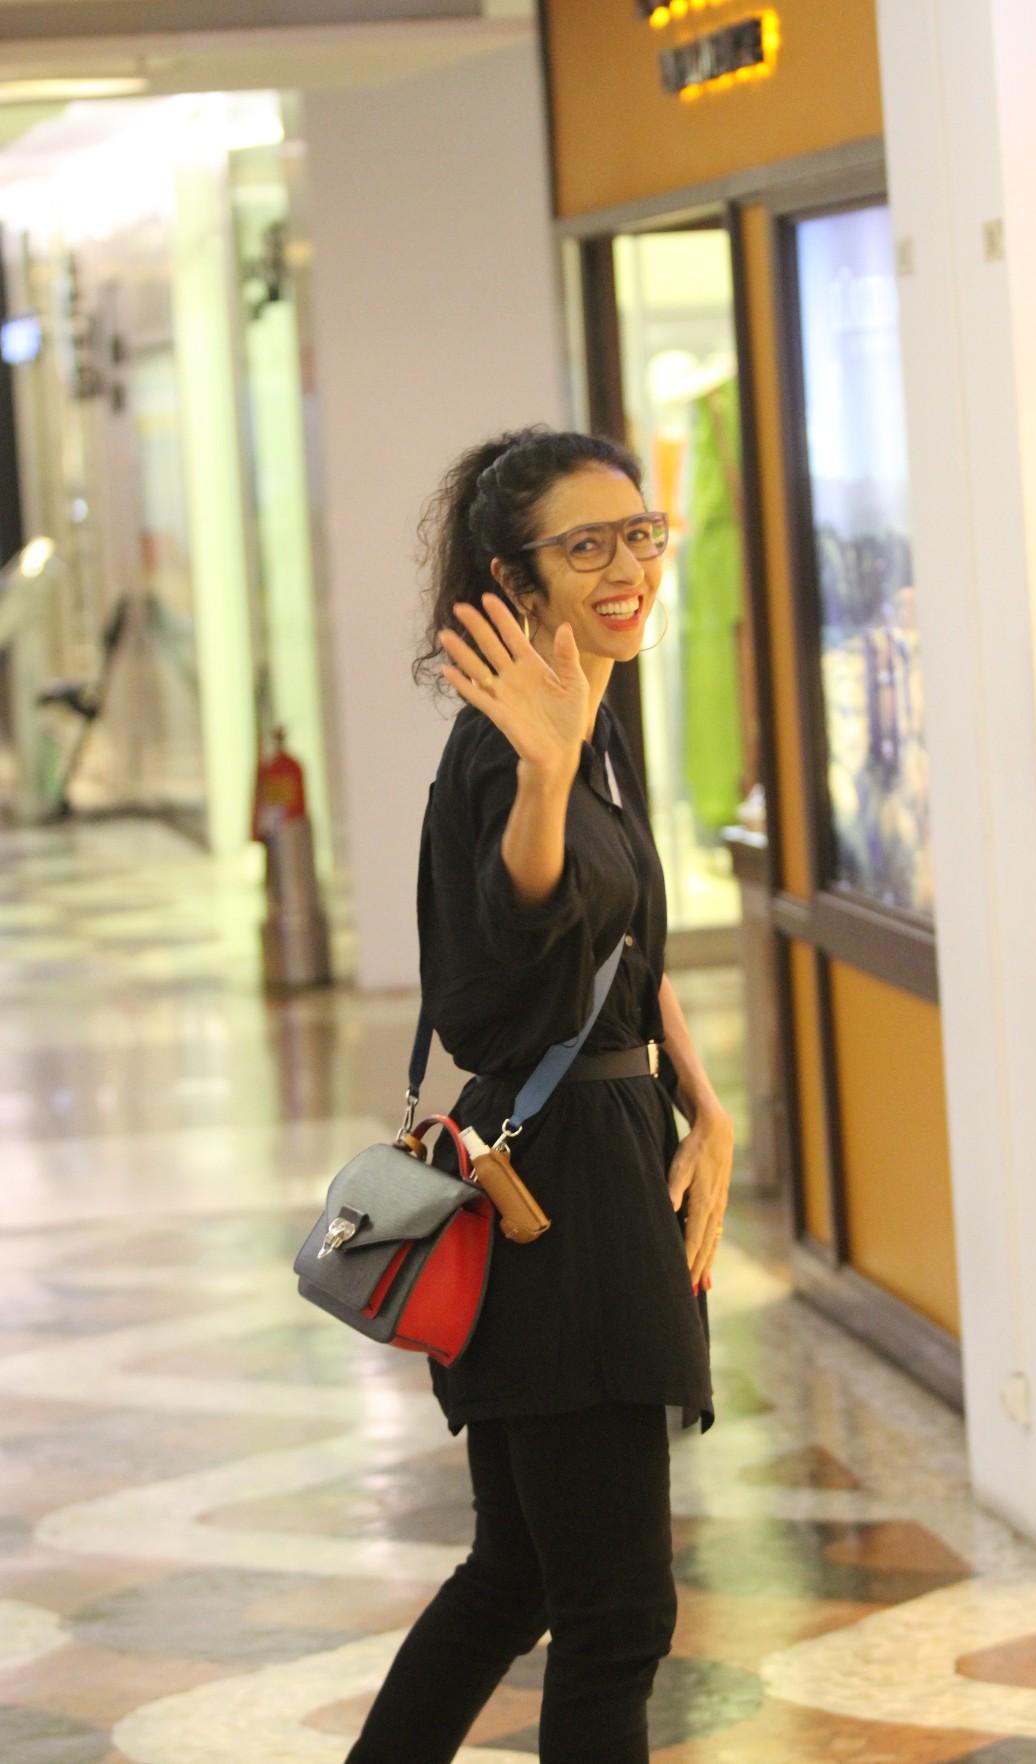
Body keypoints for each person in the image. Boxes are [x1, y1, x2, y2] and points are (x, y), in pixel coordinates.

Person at [345, 427, 733, 1764]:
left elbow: (612, 947)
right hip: (560, 1204)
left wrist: (706, 1101)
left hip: (595, 1165)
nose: (628, 568)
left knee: (515, 1573)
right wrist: (551, 774)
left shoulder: (589, 703)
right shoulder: (521, 745)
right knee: (615, 1615)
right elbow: (515, 947)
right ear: (513, 582)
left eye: (641, 535)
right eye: (587, 547)